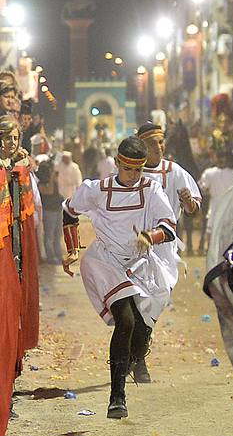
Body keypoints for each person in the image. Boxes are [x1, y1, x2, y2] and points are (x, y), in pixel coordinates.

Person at [61, 136, 178, 419]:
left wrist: (151, 236)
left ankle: (137, 354)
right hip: (105, 261)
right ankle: (117, 398)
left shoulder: (151, 189)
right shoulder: (97, 189)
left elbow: (170, 226)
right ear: (117, 163)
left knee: (140, 325)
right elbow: (69, 211)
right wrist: (73, 249)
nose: (133, 175)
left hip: (139, 264)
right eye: (128, 169)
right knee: (124, 321)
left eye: (138, 170)